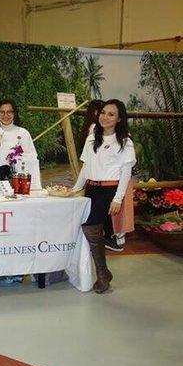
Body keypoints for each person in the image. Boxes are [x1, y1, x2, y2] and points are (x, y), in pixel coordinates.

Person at [71, 99, 136, 294]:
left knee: (91, 228)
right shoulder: (92, 137)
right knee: (92, 230)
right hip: (91, 188)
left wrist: (117, 199)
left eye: (111, 114)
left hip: (109, 190)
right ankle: (103, 274)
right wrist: (75, 189)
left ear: (119, 119)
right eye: (103, 112)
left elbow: (126, 172)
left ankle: (102, 274)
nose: (105, 117)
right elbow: (85, 167)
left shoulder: (125, 141)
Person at [0, 99, 39, 188]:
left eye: (9, 112)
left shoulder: (23, 133)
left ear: (14, 113)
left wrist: (18, 159)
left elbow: (32, 158)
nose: (5, 115)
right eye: (2, 112)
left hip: (17, 177)